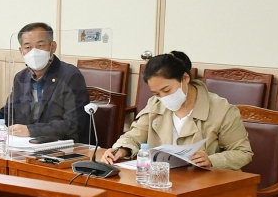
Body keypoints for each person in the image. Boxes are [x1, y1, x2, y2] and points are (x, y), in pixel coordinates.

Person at [101, 51, 253, 170]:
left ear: (185, 78)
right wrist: (121, 150)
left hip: (205, 185)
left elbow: (242, 152)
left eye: (166, 90)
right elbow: (134, 136)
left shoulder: (221, 110)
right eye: (156, 93)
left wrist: (212, 160)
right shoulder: (155, 104)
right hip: (162, 181)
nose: (162, 97)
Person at [0, 23, 89, 141]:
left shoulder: (70, 76)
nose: (34, 51)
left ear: (52, 47)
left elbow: (74, 125)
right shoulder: (21, 77)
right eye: (28, 47)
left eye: (41, 45)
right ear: (21, 51)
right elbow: (7, 115)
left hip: (64, 150)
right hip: (26, 149)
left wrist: (31, 131)